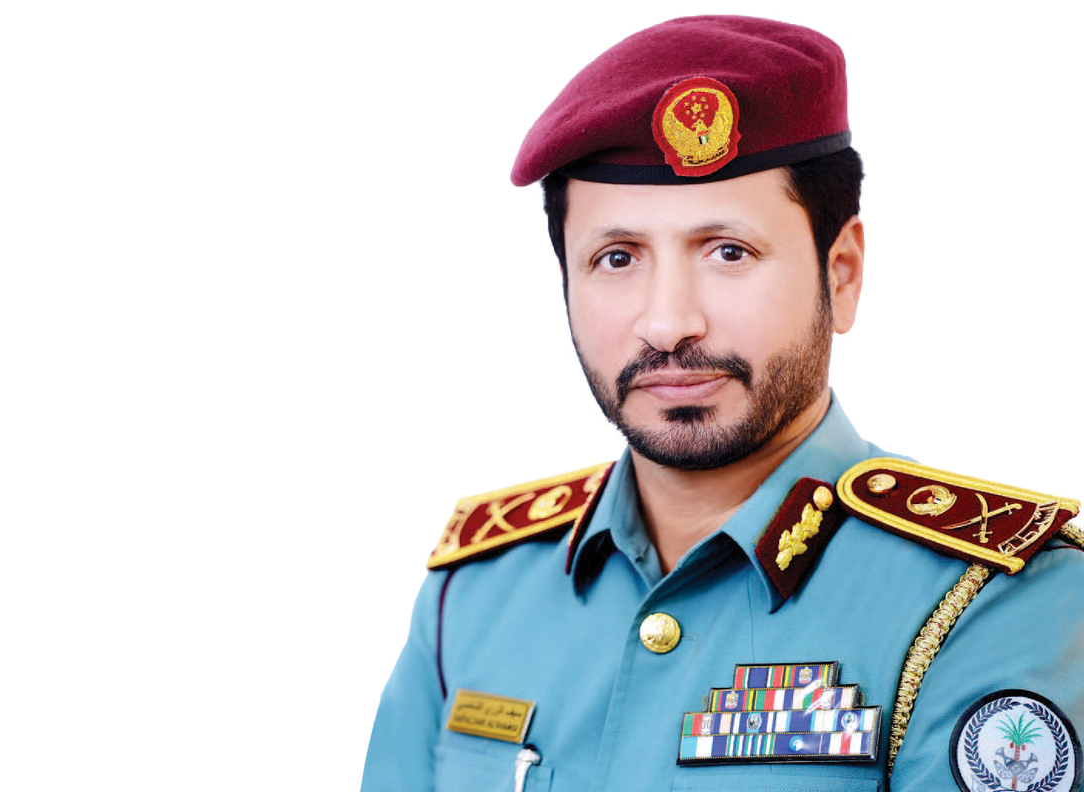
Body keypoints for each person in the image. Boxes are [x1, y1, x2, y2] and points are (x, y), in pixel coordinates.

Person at [360, 15, 1084, 792]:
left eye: (728, 251)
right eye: (616, 258)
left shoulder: (998, 601)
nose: (668, 323)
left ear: (840, 273)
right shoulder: (474, 594)